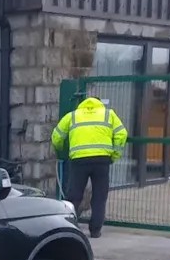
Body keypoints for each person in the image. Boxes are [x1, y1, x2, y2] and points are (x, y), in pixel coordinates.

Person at [52, 96, 128, 238]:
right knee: (99, 196)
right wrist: (114, 155)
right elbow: (122, 134)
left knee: (74, 195)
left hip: (79, 160)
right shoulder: (108, 114)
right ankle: (95, 230)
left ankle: (70, 226)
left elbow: (56, 136)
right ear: (99, 104)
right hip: (102, 160)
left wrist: (60, 151)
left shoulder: (73, 115)